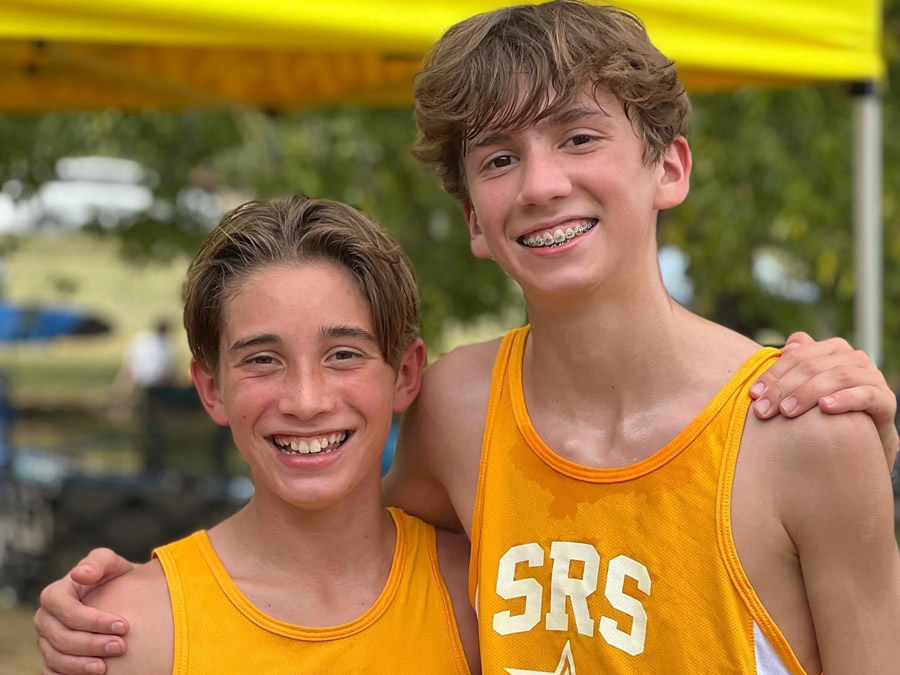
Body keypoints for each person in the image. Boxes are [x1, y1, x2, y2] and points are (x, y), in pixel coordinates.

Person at [33, 2, 900, 673]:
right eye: (498, 158)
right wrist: (146, 599)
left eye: (579, 136)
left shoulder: (805, 431)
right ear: (475, 223)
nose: (541, 183)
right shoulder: (459, 405)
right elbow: (336, 558)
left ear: (669, 167)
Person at [42, 195, 478, 674]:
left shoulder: (485, 600)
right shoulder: (125, 632)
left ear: (406, 375)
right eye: (262, 360)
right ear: (211, 390)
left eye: (344, 354)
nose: (306, 401)